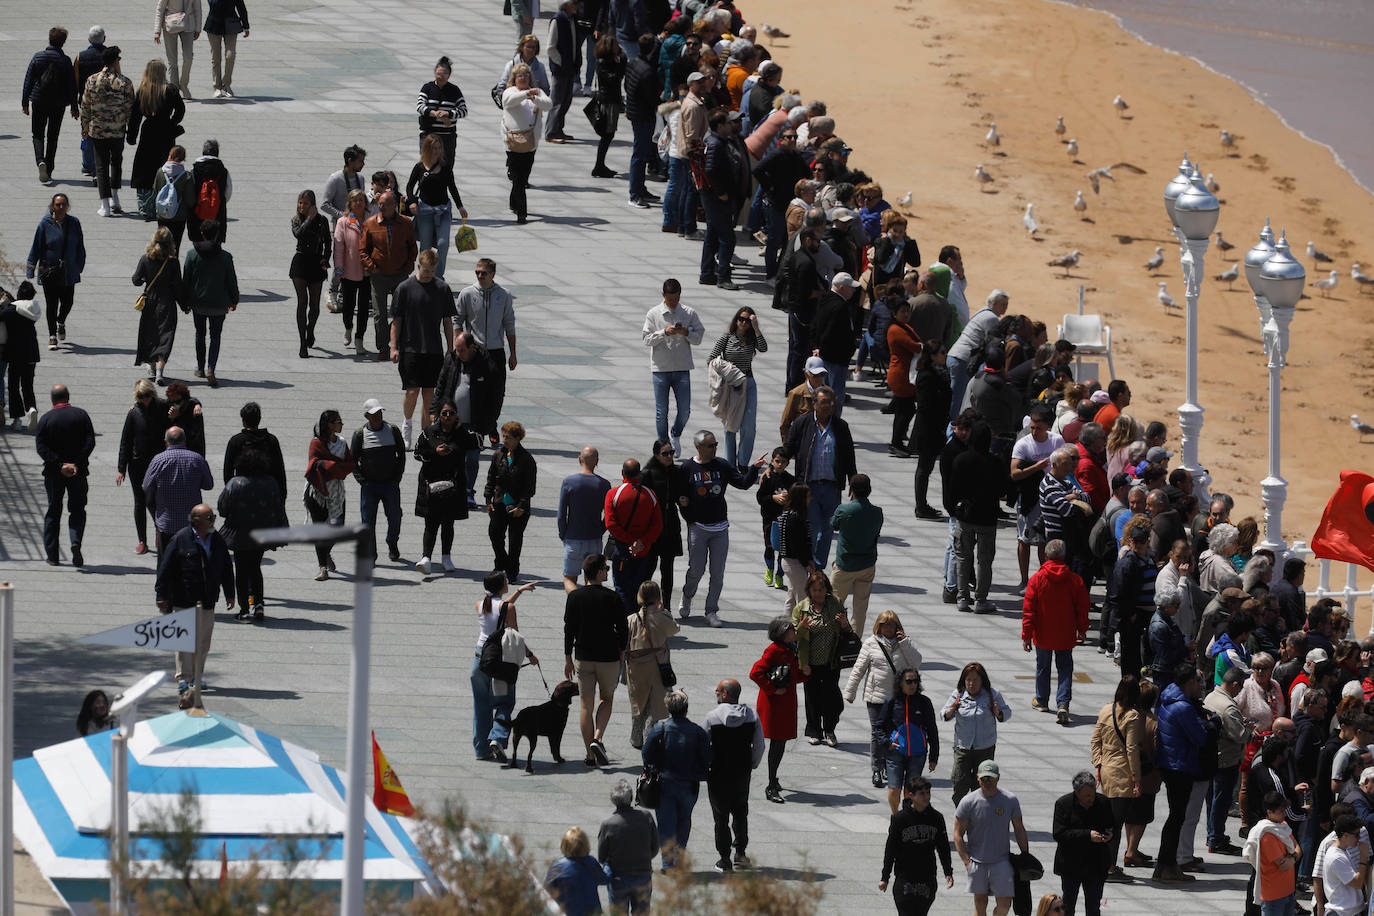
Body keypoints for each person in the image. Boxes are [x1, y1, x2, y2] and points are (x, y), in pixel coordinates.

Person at [677, 429, 764, 626]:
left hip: (720, 527)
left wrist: (753, 469)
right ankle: (687, 595)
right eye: (711, 445)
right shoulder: (687, 468)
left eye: (716, 444)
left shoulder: (722, 465)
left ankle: (711, 610)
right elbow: (680, 495)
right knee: (696, 570)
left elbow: (741, 483)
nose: (715, 447)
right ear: (699, 447)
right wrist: (688, 517)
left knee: (717, 572)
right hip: (698, 527)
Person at [155, 503, 233, 707]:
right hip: (184, 599)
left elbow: (225, 567)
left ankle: (197, 678)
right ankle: (184, 679)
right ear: (197, 521)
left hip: (207, 600)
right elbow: (165, 569)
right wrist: (161, 595)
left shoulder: (217, 540)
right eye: (210, 518)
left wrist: (230, 594)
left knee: (203, 643)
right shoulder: (181, 539)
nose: (213, 521)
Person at [564, 554, 630, 767]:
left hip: (583, 656)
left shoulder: (574, 597)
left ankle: (589, 755)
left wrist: (568, 657)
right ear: (599, 572)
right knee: (607, 699)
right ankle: (598, 738)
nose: (608, 571)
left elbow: (569, 629)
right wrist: (622, 652)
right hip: (608, 657)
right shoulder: (613, 597)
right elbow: (623, 629)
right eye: (606, 568)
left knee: (585, 705)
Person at [783, 386, 857, 567]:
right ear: (814, 404)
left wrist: (853, 481)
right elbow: (788, 449)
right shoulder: (802, 424)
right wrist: (773, 468)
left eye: (831, 402)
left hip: (832, 487)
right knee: (813, 527)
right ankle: (811, 565)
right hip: (809, 488)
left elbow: (848, 456)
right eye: (824, 402)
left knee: (828, 528)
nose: (828, 406)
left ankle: (819, 567)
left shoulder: (840, 427)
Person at [389, 249, 455, 446]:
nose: (429, 274)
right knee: (412, 391)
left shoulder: (442, 289)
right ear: (419, 266)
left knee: (429, 395)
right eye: (426, 270)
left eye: (432, 271)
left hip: (433, 349)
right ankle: (407, 424)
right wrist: (394, 347)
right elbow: (396, 320)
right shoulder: (405, 288)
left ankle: (425, 433)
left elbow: (448, 321)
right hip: (410, 348)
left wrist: (450, 348)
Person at [1021, 539, 1090, 725]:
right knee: (1065, 668)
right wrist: (1082, 630)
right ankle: (1063, 704)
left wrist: (1026, 635)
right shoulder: (1075, 580)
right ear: (1064, 557)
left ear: (1046, 555)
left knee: (1043, 667)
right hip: (1066, 634)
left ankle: (1042, 700)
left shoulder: (1036, 579)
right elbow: (1082, 608)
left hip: (1042, 633)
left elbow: (1029, 610)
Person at [471, 570, 537, 760]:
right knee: (505, 702)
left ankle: (481, 749)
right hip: (500, 662)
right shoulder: (508, 609)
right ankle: (497, 738)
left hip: (479, 660)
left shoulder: (480, 604)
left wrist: (520, 591)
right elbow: (514, 635)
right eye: (506, 581)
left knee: (481, 705)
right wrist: (530, 655)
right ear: (502, 585)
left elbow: (500, 606)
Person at [641, 690, 710, 869]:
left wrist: (655, 766)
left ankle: (667, 863)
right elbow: (707, 758)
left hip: (664, 783)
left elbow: (646, 754)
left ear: (668, 708)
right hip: (689, 785)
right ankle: (680, 857)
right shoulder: (697, 732)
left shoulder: (660, 728)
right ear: (686, 709)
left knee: (665, 824)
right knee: (684, 820)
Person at [413, 397, 482, 575]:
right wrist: (435, 453)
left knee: (448, 523)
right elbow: (417, 453)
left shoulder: (462, 434)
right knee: (431, 522)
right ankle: (426, 557)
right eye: (444, 413)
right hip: (432, 482)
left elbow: (478, 443)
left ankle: (446, 557)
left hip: (454, 484)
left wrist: (462, 430)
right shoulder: (429, 432)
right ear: (439, 415)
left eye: (452, 413)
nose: (448, 416)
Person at [1155, 663, 1210, 883]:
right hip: (1180, 766)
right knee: (1177, 818)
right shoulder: (1184, 707)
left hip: (1171, 764)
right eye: (1198, 681)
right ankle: (1167, 866)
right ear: (1189, 682)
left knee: (1175, 818)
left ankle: (1165, 865)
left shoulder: (1169, 697)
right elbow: (1201, 738)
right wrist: (1207, 723)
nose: (1200, 685)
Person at [952, 760, 1030, 916]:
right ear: (978, 778)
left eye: (991, 778)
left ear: (998, 778)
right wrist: (967, 862)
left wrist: (1025, 854)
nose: (988, 782)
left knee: (1005, 905)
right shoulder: (968, 802)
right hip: (977, 860)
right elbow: (957, 834)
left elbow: (1019, 828)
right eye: (984, 778)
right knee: (980, 903)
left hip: (1002, 861)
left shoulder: (1009, 800)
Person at [216, 448, 285, 621]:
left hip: (240, 532)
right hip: (262, 533)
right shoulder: (271, 482)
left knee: (241, 569)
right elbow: (278, 507)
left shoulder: (235, 483)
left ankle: (244, 608)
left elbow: (223, 508)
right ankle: (259, 604)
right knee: (255, 567)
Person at [704, 677, 764, 873]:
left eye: (717, 691)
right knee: (740, 813)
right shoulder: (752, 716)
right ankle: (740, 854)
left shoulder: (712, 717)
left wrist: (705, 767)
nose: (716, 694)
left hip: (718, 774)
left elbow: (703, 747)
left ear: (724, 694)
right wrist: (752, 764)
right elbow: (760, 746)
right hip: (741, 773)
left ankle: (724, 859)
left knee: (720, 818)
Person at [948, 422, 1008, 614]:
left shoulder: (961, 460)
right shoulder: (995, 462)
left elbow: (953, 489)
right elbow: (1002, 490)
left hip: (965, 517)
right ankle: (981, 600)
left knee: (963, 557)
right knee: (985, 560)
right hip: (987, 518)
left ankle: (963, 597)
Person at [456, 258, 518, 443]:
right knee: (475, 392)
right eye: (477, 272)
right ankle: (479, 431)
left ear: (493, 274)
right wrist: (461, 346)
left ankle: (491, 423)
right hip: (474, 351)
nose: (480, 276)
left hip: (496, 351)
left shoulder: (504, 295)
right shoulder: (467, 293)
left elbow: (509, 325)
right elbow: (457, 320)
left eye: (484, 273)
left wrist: (513, 353)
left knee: (497, 393)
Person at [34, 383, 95, 566]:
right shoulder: (81, 415)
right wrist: (75, 463)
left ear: (52, 399)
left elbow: (41, 447)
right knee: (77, 509)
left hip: (54, 474)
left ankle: (52, 556)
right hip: (78, 473)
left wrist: (60, 464)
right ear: (68, 397)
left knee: (53, 511)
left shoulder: (46, 419)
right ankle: (75, 541)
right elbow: (90, 442)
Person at [1089, 676, 1144, 882]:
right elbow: (1131, 749)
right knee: (1115, 824)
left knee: (1108, 820)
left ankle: (1105, 863)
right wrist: (1137, 779)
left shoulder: (1106, 710)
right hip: (1122, 772)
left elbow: (1095, 739)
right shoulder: (1132, 716)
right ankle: (1109, 866)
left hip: (1106, 770)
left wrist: (1098, 764)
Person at [750, 616, 809, 804]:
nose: (794, 632)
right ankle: (770, 784)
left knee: (780, 743)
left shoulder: (790, 649)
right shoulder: (774, 650)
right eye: (791, 629)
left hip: (786, 702)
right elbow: (755, 673)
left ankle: (773, 779)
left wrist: (804, 674)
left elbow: (789, 676)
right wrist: (773, 689)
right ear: (782, 634)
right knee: (777, 744)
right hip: (775, 704)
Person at [792, 570, 854, 748]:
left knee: (832, 699)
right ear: (809, 591)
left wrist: (844, 624)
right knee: (812, 698)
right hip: (809, 663)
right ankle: (814, 731)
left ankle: (830, 730)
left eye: (821, 589)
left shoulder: (835, 604)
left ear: (827, 588)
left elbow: (847, 632)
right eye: (814, 590)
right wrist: (802, 628)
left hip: (831, 662)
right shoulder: (801, 608)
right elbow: (793, 637)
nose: (818, 593)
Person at [643, 278, 705, 454]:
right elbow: (646, 339)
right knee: (661, 411)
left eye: (677, 298)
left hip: (682, 368)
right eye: (671, 299)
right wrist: (664, 332)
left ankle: (675, 433)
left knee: (685, 410)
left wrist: (686, 332)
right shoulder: (653, 313)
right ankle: (664, 445)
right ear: (663, 295)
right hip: (660, 369)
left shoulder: (688, 313)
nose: (674, 302)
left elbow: (699, 337)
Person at [881, 775, 955, 915]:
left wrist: (948, 871)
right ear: (911, 795)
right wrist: (885, 877)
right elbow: (890, 849)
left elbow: (943, 847)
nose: (926, 796)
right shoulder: (900, 819)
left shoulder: (936, 818)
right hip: (904, 877)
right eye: (922, 793)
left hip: (927, 877)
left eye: (928, 793)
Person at [360, 191, 417, 360]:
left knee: (403, 312)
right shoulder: (371, 223)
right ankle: (383, 347)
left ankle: (396, 342)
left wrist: (408, 267)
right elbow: (363, 250)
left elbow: (412, 247)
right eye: (380, 204)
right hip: (379, 276)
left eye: (385, 204)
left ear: (394, 206)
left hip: (400, 275)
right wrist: (371, 267)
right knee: (380, 314)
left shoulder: (406, 223)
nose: (381, 207)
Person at [180, 218, 237, 387]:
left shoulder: (191, 255)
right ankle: (211, 367)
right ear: (217, 234)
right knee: (216, 336)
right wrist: (234, 299)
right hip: (219, 304)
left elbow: (186, 280)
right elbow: (231, 281)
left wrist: (184, 301)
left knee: (200, 334)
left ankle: (200, 368)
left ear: (202, 234)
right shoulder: (226, 257)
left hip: (198, 302)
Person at [707, 306, 767, 469]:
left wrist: (756, 328)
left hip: (748, 384)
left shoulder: (752, 337)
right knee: (730, 428)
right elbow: (711, 359)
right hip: (730, 386)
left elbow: (763, 348)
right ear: (736, 320)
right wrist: (728, 370)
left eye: (747, 320)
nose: (743, 323)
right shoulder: (727, 337)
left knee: (749, 428)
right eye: (741, 319)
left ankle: (742, 463)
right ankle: (729, 464)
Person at [943, 662, 1011, 804]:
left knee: (981, 786)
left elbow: (1007, 713)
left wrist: (998, 712)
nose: (971, 684)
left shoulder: (993, 695)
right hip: (963, 748)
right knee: (959, 784)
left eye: (975, 680)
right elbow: (944, 714)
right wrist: (952, 709)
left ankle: (978, 816)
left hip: (984, 749)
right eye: (968, 680)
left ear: (982, 681)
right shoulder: (958, 694)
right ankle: (962, 815)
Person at [125, 59, 185, 220]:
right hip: (165, 132)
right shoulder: (170, 90)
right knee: (164, 167)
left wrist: (131, 135)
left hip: (148, 131)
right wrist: (173, 123)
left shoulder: (143, 90)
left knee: (144, 167)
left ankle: (146, 207)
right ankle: (165, 202)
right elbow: (181, 110)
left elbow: (135, 116)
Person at [26, 193, 87, 351]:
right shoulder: (45, 224)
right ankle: (52, 335)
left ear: (68, 206)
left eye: (64, 204)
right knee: (51, 304)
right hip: (50, 271)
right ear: (53, 206)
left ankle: (61, 321)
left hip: (69, 272)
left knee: (68, 302)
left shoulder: (74, 223)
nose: (61, 207)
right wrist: (31, 267)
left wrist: (79, 264)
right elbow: (37, 247)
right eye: (58, 204)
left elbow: (80, 245)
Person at [115, 380, 169, 554]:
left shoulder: (162, 406)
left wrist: (196, 405)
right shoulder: (133, 413)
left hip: (158, 464)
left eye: (146, 395)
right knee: (139, 502)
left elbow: (185, 401)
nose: (144, 399)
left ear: (152, 393)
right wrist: (121, 468)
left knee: (153, 501)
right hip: (137, 464)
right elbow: (125, 441)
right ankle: (141, 540)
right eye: (140, 396)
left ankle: (159, 529)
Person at [1052, 770, 1115, 916]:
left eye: (1093, 794)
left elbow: (1111, 825)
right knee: (1067, 906)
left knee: (1093, 907)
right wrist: (1087, 835)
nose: (1091, 798)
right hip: (1071, 864)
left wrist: (1109, 834)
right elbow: (1059, 833)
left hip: (1096, 864)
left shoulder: (1103, 802)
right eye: (1087, 795)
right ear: (1076, 792)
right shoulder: (1063, 804)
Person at [80, 46, 134, 217]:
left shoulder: (91, 80)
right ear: (116, 61)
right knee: (116, 162)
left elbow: (85, 106)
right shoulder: (125, 82)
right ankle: (115, 198)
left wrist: (84, 126)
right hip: (118, 131)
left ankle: (105, 205)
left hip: (98, 131)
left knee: (101, 166)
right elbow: (130, 108)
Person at [878, 668, 940, 815]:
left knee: (910, 791)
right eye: (908, 681)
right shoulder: (891, 701)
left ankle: (906, 817)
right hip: (895, 753)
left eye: (915, 681)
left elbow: (932, 730)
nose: (912, 684)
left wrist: (933, 757)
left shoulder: (924, 702)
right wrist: (887, 743)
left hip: (917, 755)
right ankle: (895, 817)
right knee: (894, 789)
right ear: (900, 683)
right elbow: (879, 726)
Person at [625, 581, 679, 748]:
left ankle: (636, 736)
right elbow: (675, 629)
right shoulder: (662, 617)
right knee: (656, 703)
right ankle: (650, 736)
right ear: (658, 597)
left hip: (636, 667)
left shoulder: (632, 619)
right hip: (658, 666)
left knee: (638, 700)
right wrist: (664, 610)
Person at [351, 398, 406, 562]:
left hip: (390, 484)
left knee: (395, 517)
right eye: (374, 414)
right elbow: (352, 461)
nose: (378, 416)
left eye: (380, 412)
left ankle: (392, 543)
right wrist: (362, 481)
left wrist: (397, 478)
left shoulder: (393, 430)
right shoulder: (359, 434)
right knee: (368, 522)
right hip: (370, 486)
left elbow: (401, 455)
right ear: (367, 416)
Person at [406, 134, 466, 281]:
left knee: (443, 244)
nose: (437, 151)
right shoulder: (419, 167)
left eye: (439, 148)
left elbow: (452, 187)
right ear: (427, 149)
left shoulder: (445, 167)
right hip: (425, 210)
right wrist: (412, 202)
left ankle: (438, 276)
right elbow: (409, 187)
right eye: (434, 148)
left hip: (443, 210)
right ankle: (424, 274)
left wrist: (460, 207)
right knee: (426, 246)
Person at [23, 27, 79, 185]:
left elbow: (28, 80)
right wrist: (74, 107)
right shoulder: (65, 60)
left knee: (37, 134)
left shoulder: (38, 57)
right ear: (63, 42)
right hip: (58, 103)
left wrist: (25, 102)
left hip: (39, 101)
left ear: (49, 39)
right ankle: (49, 168)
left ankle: (40, 161)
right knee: (53, 137)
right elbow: (71, 86)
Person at [605, 459, 662, 612]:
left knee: (622, 587)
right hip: (643, 551)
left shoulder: (613, 494)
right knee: (639, 588)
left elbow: (610, 524)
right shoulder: (650, 494)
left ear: (622, 472)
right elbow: (657, 525)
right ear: (639, 473)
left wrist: (629, 541)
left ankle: (627, 623)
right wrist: (641, 542)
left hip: (622, 549)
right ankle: (639, 620)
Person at [303, 409, 355, 580]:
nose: (341, 425)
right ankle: (322, 567)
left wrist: (333, 468)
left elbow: (349, 464)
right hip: (317, 492)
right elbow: (315, 464)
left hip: (336, 492)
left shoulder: (342, 442)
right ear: (329, 424)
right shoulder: (316, 443)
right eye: (338, 421)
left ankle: (326, 553)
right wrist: (334, 467)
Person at [831, 473, 884, 635]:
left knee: (835, 605)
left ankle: (832, 638)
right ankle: (854, 642)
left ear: (851, 489)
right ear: (869, 490)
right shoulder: (877, 512)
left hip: (845, 564)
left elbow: (834, 525)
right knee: (860, 608)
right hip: (867, 565)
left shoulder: (844, 510)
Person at [501, 62, 554, 223]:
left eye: (525, 75)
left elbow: (549, 105)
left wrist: (535, 97)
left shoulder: (537, 92)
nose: (523, 78)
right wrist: (526, 94)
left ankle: (513, 202)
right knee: (518, 179)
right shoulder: (510, 91)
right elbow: (509, 101)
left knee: (522, 178)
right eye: (520, 75)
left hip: (530, 143)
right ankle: (522, 213)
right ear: (514, 78)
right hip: (513, 142)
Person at [485, 421, 537, 582]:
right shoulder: (498, 455)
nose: (505, 440)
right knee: (494, 533)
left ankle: (512, 569)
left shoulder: (527, 459)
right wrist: (488, 499)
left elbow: (530, 487)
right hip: (499, 502)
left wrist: (521, 506)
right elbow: (491, 478)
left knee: (515, 540)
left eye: (508, 437)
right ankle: (501, 562)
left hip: (518, 507)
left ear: (517, 438)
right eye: (504, 436)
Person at [597, 779, 658, 913]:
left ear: (613, 800)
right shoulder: (646, 817)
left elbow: (602, 856)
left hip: (618, 878)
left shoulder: (608, 824)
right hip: (643, 875)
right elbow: (654, 848)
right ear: (631, 797)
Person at [284, 189, 332, 359]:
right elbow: (299, 234)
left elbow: (328, 241)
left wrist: (326, 259)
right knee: (302, 301)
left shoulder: (323, 221)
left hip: (316, 264)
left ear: (312, 204)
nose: (301, 206)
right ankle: (302, 343)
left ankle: (310, 329)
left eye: (304, 203)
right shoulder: (297, 220)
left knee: (315, 305)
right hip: (300, 263)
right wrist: (309, 219)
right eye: (300, 202)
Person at [557, 446, 612, 593]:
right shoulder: (604, 484)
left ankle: (576, 605)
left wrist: (563, 533)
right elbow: (608, 515)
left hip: (573, 538)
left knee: (569, 578)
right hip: (594, 539)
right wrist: (600, 529)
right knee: (593, 581)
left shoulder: (569, 482)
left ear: (580, 459)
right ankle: (591, 608)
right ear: (597, 461)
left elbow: (562, 513)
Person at [131, 226, 181, 383]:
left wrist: (147, 279)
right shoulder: (173, 262)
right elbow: (178, 286)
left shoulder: (145, 258)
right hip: (167, 302)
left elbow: (136, 280)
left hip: (150, 302)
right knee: (165, 336)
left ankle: (151, 367)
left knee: (149, 334)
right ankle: (159, 371)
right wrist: (185, 304)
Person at [1243, 791, 1301, 916]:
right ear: (1269, 812)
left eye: (1284, 810)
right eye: (1281, 811)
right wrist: (1294, 857)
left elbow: (1298, 849)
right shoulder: (1267, 835)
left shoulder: (1283, 826)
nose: (1284, 814)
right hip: (1273, 895)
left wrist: (1292, 858)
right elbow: (1284, 865)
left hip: (1288, 890)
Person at [911, 339, 951, 518]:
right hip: (928, 430)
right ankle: (921, 505)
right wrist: (939, 427)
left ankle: (922, 504)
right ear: (933, 356)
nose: (945, 355)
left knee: (926, 468)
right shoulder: (927, 376)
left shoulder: (938, 373)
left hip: (935, 428)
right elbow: (926, 406)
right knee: (924, 468)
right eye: (942, 352)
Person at [333, 189, 373, 352]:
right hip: (349, 270)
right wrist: (339, 267)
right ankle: (348, 327)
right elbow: (339, 246)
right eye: (355, 200)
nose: (358, 203)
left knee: (364, 307)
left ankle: (359, 339)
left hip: (367, 271)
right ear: (350, 203)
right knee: (348, 306)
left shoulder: (371, 221)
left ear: (365, 203)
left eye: (361, 200)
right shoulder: (343, 221)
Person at [623, 33, 661, 205]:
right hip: (643, 115)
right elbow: (651, 97)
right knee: (640, 154)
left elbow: (627, 85)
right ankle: (635, 193)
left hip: (634, 111)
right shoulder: (647, 71)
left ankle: (640, 188)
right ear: (653, 49)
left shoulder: (633, 63)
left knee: (642, 152)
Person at [0, 284, 43, 431]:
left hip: (15, 354)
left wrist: (4, 303)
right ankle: (31, 409)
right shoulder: (34, 308)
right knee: (28, 385)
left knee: (13, 386)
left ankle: (17, 420)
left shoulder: (13, 309)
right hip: (31, 353)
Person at [544, 826, 609, 916]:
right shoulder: (591, 862)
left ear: (564, 845)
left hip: (568, 911)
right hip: (591, 911)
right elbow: (604, 879)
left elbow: (547, 889)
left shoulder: (557, 866)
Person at [415, 56, 466, 167]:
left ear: (449, 75)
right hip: (428, 134)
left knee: (446, 167)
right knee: (426, 166)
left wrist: (448, 114)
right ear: (434, 73)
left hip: (447, 136)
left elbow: (463, 111)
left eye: (444, 74)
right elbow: (419, 106)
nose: (441, 76)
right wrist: (435, 113)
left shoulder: (454, 90)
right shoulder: (427, 88)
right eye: (438, 73)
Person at [589, 35, 626, 180]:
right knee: (607, 134)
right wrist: (620, 64)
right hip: (608, 101)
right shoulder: (604, 62)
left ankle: (600, 165)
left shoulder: (611, 60)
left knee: (608, 134)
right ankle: (599, 165)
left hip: (612, 100)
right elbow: (614, 78)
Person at [203, 0, 249, 99]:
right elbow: (213, 4)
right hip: (214, 24)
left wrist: (246, 25)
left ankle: (226, 84)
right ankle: (217, 87)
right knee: (216, 57)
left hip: (231, 24)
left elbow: (241, 6)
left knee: (230, 55)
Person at [152, 145, 193, 250]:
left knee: (161, 243)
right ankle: (173, 264)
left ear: (170, 155)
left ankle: (161, 263)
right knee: (175, 246)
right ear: (183, 158)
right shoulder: (186, 176)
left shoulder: (160, 172)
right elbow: (190, 200)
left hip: (162, 214)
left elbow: (155, 190)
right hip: (179, 216)